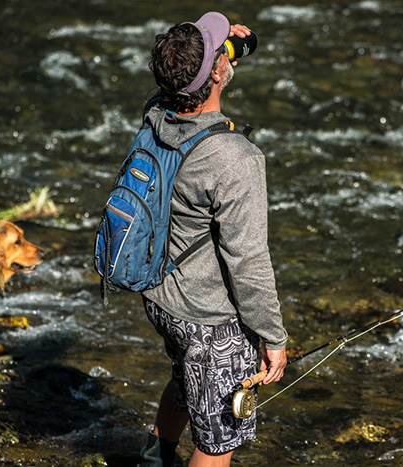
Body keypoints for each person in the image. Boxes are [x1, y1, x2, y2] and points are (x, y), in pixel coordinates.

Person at [137, 12, 288, 467]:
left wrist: (216, 47)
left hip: (160, 297)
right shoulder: (234, 157)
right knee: (218, 439)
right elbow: (248, 260)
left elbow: (184, 77)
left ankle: (155, 456)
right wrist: (272, 335)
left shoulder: (155, 114)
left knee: (187, 378)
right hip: (207, 317)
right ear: (219, 73)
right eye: (219, 53)